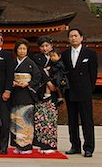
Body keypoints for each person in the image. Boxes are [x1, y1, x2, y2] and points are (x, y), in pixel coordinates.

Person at [62, 28, 98, 158]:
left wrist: (89, 89)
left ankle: (88, 147)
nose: (73, 38)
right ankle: (75, 145)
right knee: (72, 120)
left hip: (84, 91)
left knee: (87, 120)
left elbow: (93, 74)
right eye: (71, 36)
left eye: (75, 36)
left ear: (81, 37)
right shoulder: (65, 54)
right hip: (70, 91)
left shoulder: (90, 53)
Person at [10, 39, 41, 155]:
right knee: (15, 119)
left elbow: (37, 76)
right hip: (15, 93)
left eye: (24, 49)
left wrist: (28, 83)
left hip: (27, 94)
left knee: (26, 120)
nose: (22, 51)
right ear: (16, 50)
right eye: (20, 48)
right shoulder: (13, 62)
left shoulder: (31, 63)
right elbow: (8, 75)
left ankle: (27, 146)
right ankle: (18, 145)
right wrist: (12, 82)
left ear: (27, 50)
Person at [32, 36, 59, 154]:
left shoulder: (56, 57)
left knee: (51, 118)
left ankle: (51, 145)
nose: (44, 48)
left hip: (53, 90)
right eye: (42, 46)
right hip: (41, 90)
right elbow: (38, 71)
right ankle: (41, 144)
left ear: (51, 46)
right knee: (40, 118)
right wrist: (47, 80)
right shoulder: (36, 58)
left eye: (47, 46)